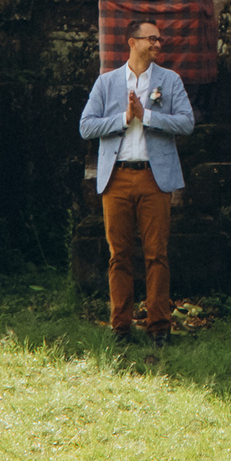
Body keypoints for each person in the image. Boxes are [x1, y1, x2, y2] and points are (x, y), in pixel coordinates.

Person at [79, 19, 195, 344]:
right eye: (152, 39)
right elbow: (86, 127)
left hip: (154, 178)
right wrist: (123, 119)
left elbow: (187, 123)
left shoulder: (170, 81)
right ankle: (121, 328)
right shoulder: (106, 83)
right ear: (132, 42)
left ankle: (159, 327)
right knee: (119, 255)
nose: (158, 44)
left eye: (159, 39)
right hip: (116, 179)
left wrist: (148, 117)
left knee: (157, 254)